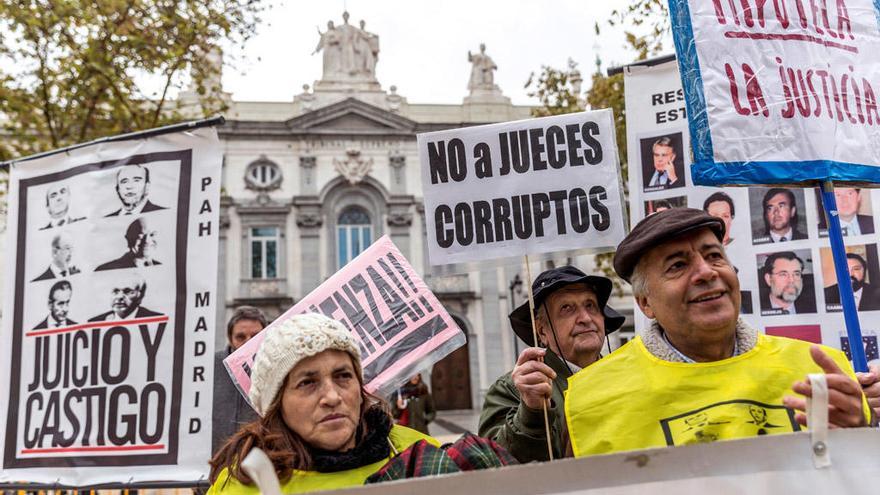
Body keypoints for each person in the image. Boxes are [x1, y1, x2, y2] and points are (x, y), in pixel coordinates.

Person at [565, 208, 875, 458]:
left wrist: (859, 439)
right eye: (677, 265)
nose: (707, 272)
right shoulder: (590, 398)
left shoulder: (820, 370)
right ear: (645, 303)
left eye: (714, 256)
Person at [208, 313, 439, 494]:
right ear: (276, 404)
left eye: (343, 376)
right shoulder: (241, 486)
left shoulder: (424, 456)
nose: (332, 397)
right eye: (307, 382)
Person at [478, 266, 624, 462]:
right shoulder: (513, 389)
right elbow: (495, 463)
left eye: (590, 306)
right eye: (567, 309)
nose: (585, 318)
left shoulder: (627, 374)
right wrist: (531, 412)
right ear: (542, 331)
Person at [212, 306, 268, 454]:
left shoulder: (275, 367)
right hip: (215, 459)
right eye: (240, 337)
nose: (248, 342)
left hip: (259, 459)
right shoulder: (209, 366)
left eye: (255, 336)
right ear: (230, 339)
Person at [88, 272, 161, 321]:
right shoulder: (95, 321)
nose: (119, 297)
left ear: (140, 296)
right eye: (116, 291)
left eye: (127, 291)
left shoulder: (156, 319)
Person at [95, 218, 161, 271]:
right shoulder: (106, 270)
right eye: (139, 237)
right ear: (129, 239)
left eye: (152, 235)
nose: (147, 241)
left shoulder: (161, 268)